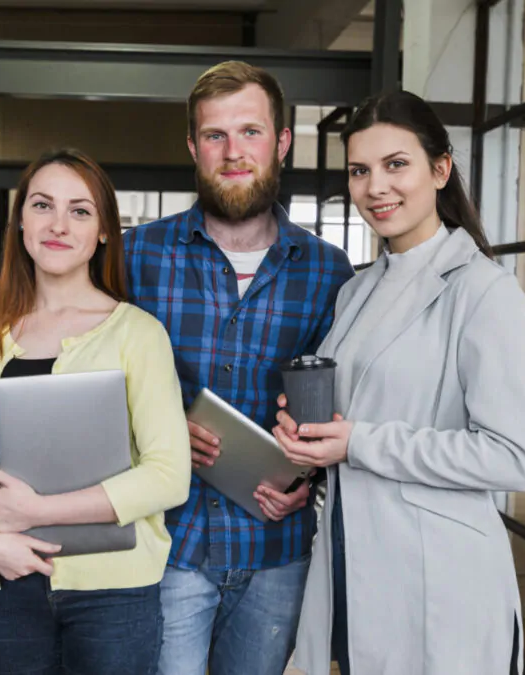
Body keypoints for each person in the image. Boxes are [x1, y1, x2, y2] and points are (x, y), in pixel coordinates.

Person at [275, 90, 525, 675]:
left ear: (440, 169)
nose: (376, 188)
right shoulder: (356, 290)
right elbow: (351, 418)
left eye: (397, 165)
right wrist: (306, 441)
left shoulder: (485, 293)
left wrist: (359, 443)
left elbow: (513, 457)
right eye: (360, 171)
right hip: (353, 564)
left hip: (439, 581)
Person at [122, 61, 355, 675]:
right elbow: (85, 379)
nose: (233, 152)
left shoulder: (331, 273)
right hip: (169, 545)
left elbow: (350, 406)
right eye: (215, 136)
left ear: (280, 142)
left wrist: (311, 478)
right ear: (193, 147)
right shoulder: (133, 257)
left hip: (277, 552)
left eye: (250, 132)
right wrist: (160, 424)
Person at [0, 148, 192, 675]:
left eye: (80, 210)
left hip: (116, 590)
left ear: (103, 230)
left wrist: (38, 512)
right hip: (8, 583)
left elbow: (169, 477)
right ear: (20, 222)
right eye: (42, 206)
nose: (58, 224)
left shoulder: (138, 334)